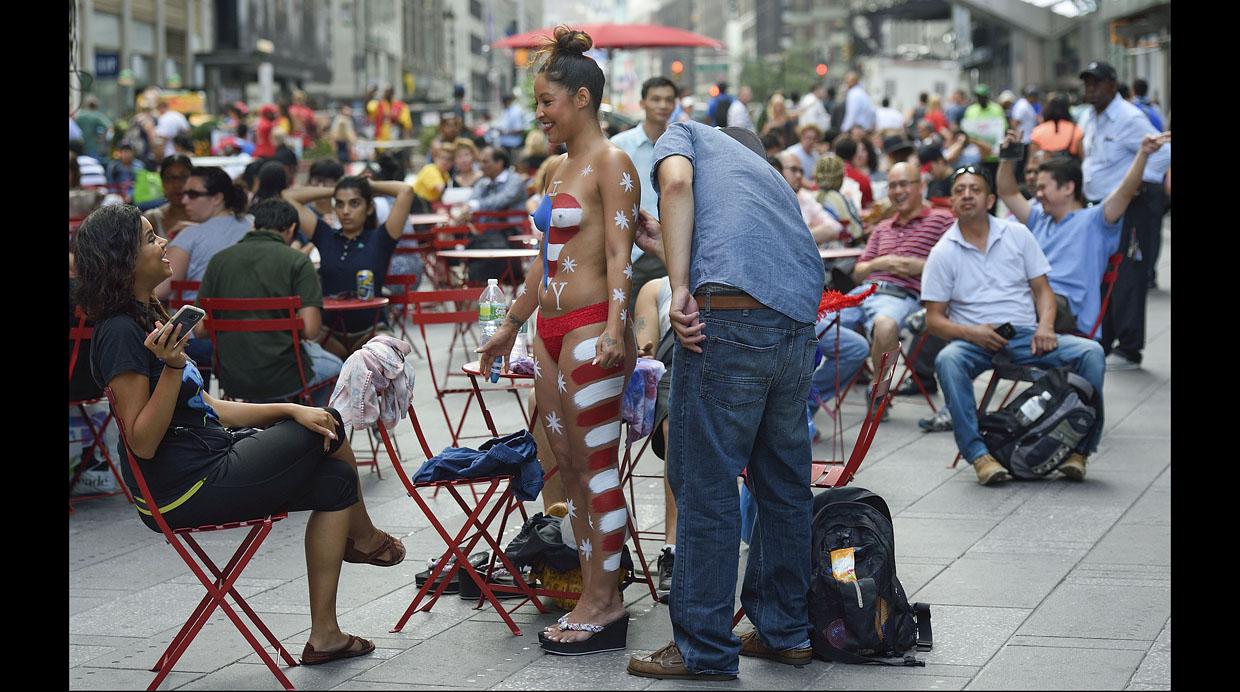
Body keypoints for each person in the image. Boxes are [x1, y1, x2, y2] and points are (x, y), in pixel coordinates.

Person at [74, 203, 404, 667]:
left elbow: (207, 406)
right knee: (330, 423)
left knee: (335, 480)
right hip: (181, 487)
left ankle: (326, 635)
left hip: (209, 457)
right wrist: (171, 369)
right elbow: (142, 440)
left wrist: (289, 408)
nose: (164, 243)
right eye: (150, 239)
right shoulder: (119, 332)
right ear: (122, 259)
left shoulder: (147, 315)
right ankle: (365, 538)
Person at [621, 118, 822, 680]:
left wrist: (678, 285)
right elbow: (739, 247)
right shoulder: (767, 175)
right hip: (793, 326)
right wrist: (670, 245)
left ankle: (702, 648)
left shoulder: (683, 132)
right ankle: (786, 632)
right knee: (783, 484)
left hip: (729, 323)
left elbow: (678, 185)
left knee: (704, 483)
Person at [475, 26, 640, 656]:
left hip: (592, 328)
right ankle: (590, 587)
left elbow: (624, 256)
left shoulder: (613, 163)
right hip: (548, 332)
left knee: (596, 466)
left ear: (582, 98)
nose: (539, 113)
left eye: (547, 101)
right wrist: (509, 327)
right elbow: (544, 261)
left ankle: (607, 598)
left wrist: (617, 328)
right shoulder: (561, 168)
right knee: (563, 467)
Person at [921, 166, 1106, 485]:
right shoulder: (942, 252)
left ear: (990, 198)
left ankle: (1079, 451)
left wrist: (1045, 326)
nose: (967, 195)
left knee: (1092, 352)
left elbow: (1043, 290)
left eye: (975, 189)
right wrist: (972, 332)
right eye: (960, 190)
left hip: (1025, 335)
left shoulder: (1017, 234)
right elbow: (933, 319)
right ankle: (979, 454)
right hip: (974, 340)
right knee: (948, 360)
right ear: (951, 201)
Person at [999, 126, 1170, 337]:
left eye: (1044, 188)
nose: (1039, 194)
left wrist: (1143, 153)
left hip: (1067, 309)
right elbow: (1007, 192)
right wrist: (1008, 156)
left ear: (1069, 188)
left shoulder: (1095, 221)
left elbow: (1125, 191)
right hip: (1030, 299)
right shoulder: (1039, 219)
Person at [196, 199, 343, 406]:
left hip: (232, 380)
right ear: (292, 228)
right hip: (286, 377)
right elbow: (311, 330)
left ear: (254, 225)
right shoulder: (298, 261)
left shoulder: (218, 261)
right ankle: (307, 428)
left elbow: (200, 329)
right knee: (338, 367)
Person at [1078, 61, 1171, 369]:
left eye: (1097, 83)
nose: (1091, 89)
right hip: (1100, 209)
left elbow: (1163, 153)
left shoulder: (1129, 118)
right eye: (1087, 83)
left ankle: (1129, 347)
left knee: (1128, 274)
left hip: (1130, 208)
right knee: (1103, 273)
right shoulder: (1091, 117)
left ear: (1112, 84)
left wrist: (1133, 186)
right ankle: (1105, 338)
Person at [842, 162, 953, 383]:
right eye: (892, 186)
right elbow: (857, 273)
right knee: (811, 322)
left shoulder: (942, 220)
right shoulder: (882, 227)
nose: (897, 191)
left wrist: (920, 266)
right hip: (864, 291)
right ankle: (812, 393)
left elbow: (957, 266)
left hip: (902, 296)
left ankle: (879, 394)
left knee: (885, 326)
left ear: (921, 186)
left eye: (904, 184)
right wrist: (879, 263)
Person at [282, 176, 415, 357]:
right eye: (339, 204)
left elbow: (406, 191)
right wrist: (338, 188)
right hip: (328, 334)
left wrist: (369, 185)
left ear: (368, 208)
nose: (345, 211)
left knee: (386, 356)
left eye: (354, 204)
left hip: (372, 332)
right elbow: (288, 196)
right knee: (300, 356)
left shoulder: (381, 238)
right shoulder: (324, 235)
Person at [611, 75, 677, 305]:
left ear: (675, 105)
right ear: (642, 103)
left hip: (671, 250)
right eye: (656, 99)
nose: (662, 105)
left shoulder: (681, 145)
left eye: (668, 100)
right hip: (631, 250)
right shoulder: (619, 146)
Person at [155, 166, 251, 302]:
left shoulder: (190, 236)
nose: (184, 201)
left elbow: (158, 291)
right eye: (184, 194)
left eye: (192, 194)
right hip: (248, 317)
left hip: (197, 319)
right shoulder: (253, 226)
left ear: (217, 198)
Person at [776, 152, 842, 245]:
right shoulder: (769, 200)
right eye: (793, 169)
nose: (799, 176)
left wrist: (800, 236)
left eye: (801, 171)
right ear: (777, 170)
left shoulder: (805, 197)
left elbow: (834, 227)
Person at [960, 85, 1008, 181]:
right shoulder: (971, 110)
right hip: (977, 155)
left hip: (994, 155)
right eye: (979, 97)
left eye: (983, 96)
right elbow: (966, 130)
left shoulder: (996, 109)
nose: (981, 99)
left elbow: (1003, 128)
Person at [142, 154, 195, 239]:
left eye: (183, 177)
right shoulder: (151, 220)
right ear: (162, 182)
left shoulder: (207, 216)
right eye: (169, 178)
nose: (176, 184)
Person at [1029, 93, 1084, 160]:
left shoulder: (1037, 131)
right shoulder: (1076, 130)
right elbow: (1083, 158)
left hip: (1045, 168)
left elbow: (1032, 160)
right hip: (1069, 169)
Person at [832, 136, 873, 209]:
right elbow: (869, 207)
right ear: (855, 154)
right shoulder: (863, 180)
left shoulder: (826, 177)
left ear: (835, 153)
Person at [75, 96, 113, 160]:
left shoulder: (79, 115)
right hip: (92, 148)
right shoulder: (97, 115)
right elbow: (110, 128)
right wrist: (104, 138)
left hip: (79, 147)